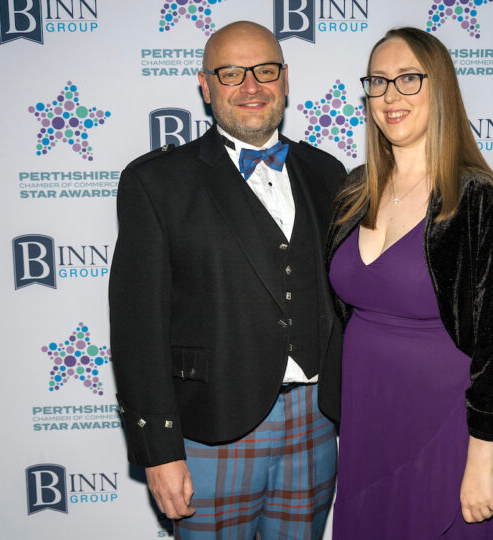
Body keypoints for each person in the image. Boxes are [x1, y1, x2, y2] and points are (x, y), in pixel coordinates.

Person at [109, 21, 345, 540]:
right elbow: (137, 330)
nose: (251, 86)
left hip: (316, 424)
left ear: (285, 79)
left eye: (264, 70)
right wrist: (159, 452)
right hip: (210, 431)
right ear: (205, 85)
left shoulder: (328, 173)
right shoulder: (156, 182)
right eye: (231, 73)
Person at [325, 27, 493, 539]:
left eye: (409, 79)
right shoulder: (353, 191)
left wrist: (481, 463)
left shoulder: (479, 200)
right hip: (368, 422)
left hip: (447, 431)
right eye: (378, 81)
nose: (391, 95)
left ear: (440, 88)